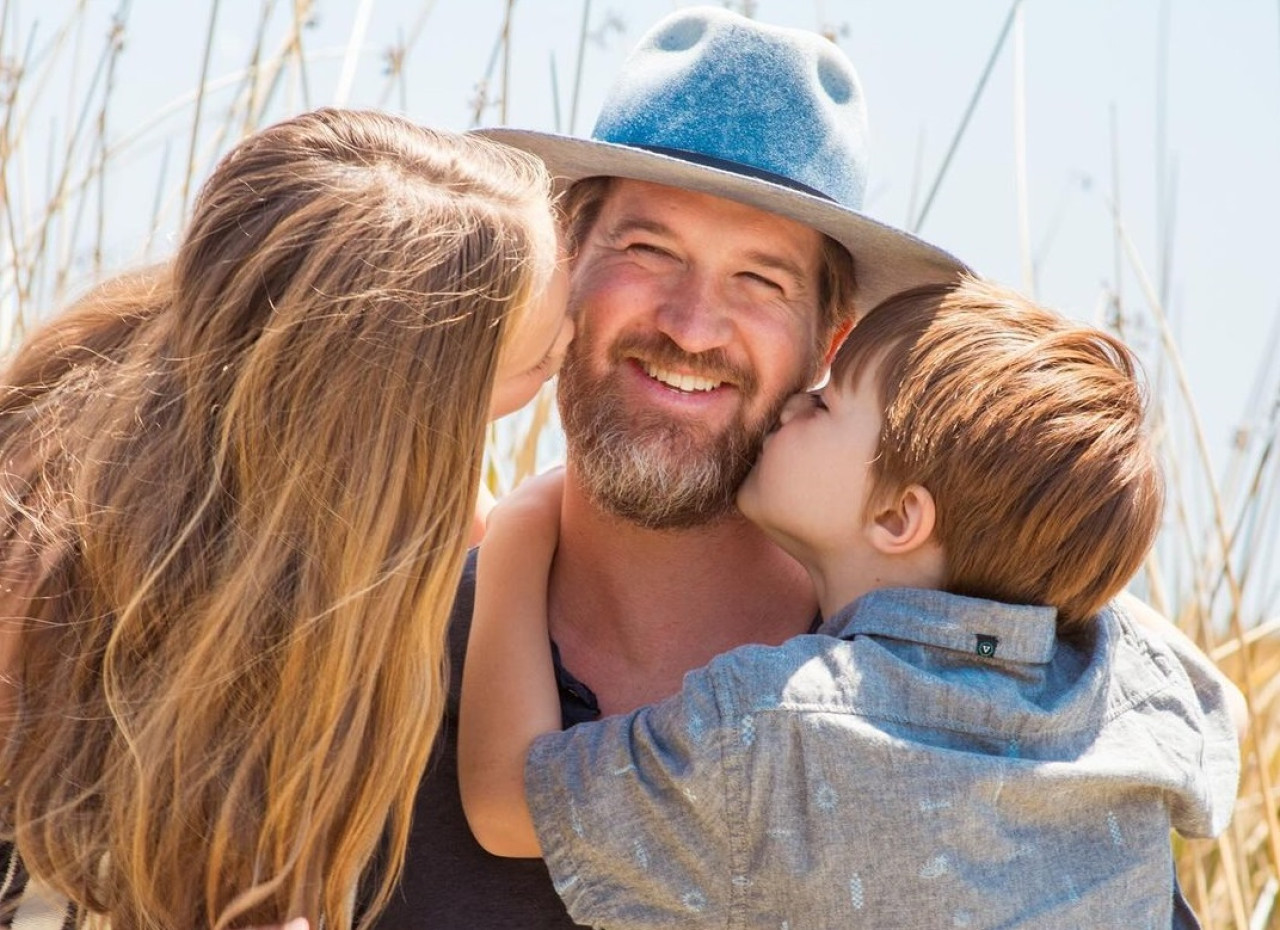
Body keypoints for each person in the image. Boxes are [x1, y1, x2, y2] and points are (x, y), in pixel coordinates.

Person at [372, 8, 1241, 927]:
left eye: (760, 280)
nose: (692, 325)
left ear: (828, 345)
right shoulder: (368, 656)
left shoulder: (1048, 738)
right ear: (564, 274)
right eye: (647, 248)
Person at [458, 276, 1241, 928]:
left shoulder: (773, 732)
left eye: (827, 405)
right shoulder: (1128, 686)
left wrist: (521, 531)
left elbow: (506, 803)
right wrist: (1044, 576)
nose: (797, 403)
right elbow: (1228, 711)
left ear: (898, 518)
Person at [0, 107, 571, 930]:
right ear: (404, 418)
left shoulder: (106, 403)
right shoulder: (54, 568)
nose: (560, 370)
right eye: (537, 363)